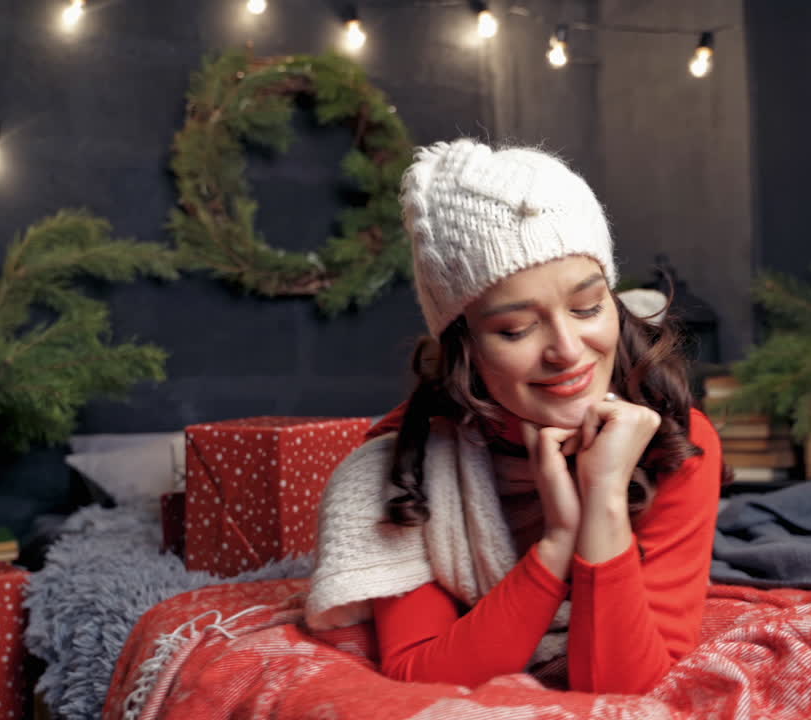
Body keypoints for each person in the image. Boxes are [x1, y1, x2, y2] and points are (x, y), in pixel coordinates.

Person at [306, 138, 726, 695]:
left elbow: (623, 691)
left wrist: (603, 500)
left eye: (587, 307)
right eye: (515, 329)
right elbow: (418, 671)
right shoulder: (407, 466)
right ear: (465, 348)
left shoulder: (671, 437)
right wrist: (557, 542)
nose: (568, 350)